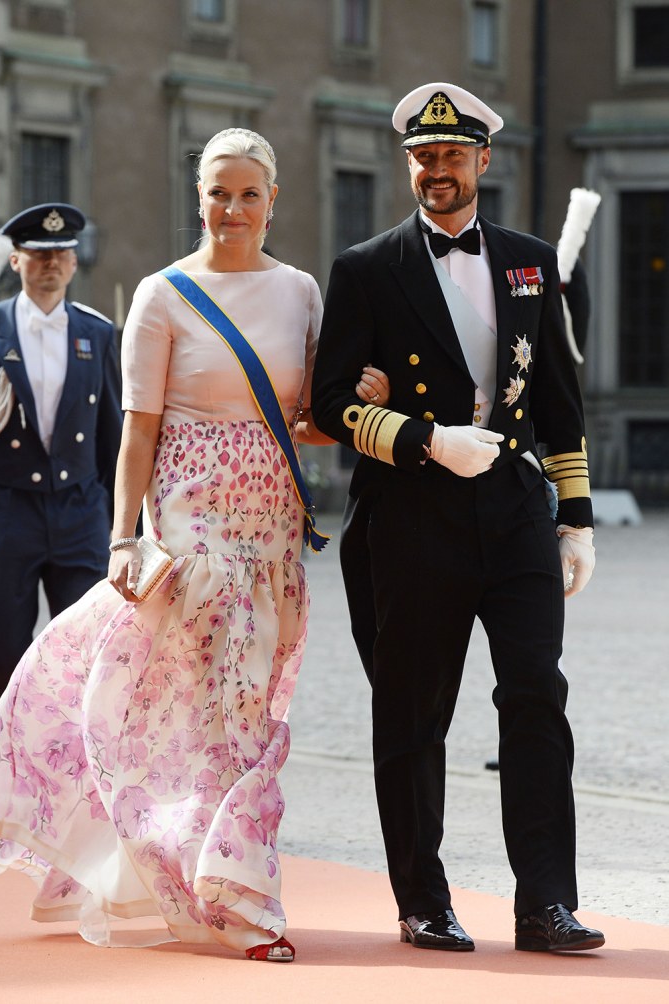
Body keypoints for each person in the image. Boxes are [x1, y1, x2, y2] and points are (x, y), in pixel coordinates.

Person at [0, 128, 388, 964]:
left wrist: (370, 395)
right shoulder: (163, 293)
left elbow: (312, 425)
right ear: (199, 198)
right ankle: (239, 899)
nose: (231, 208)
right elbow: (136, 432)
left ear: (272, 200)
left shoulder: (299, 291)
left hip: (271, 527)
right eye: (218, 192)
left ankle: (195, 866)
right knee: (210, 707)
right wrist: (123, 538)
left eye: (248, 193)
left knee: (245, 711)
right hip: (191, 521)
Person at [311, 83, 604, 954]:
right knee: (413, 711)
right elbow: (329, 404)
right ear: (410, 165)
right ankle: (422, 900)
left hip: (513, 511)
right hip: (410, 516)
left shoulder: (528, 261)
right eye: (422, 157)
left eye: (452, 155)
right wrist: (426, 441)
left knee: (537, 698)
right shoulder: (366, 267)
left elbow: (558, 396)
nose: (437, 170)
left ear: (483, 161)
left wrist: (576, 518)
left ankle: (545, 903)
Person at [0, 203, 123, 787]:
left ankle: (83, 778)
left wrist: (125, 525)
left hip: (81, 513)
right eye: (37, 255)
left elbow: (113, 434)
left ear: (73, 263)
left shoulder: (97, 332)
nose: (50, 265)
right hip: (6, 509)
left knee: (87, 653)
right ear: (16, 261)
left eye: (60, 255)